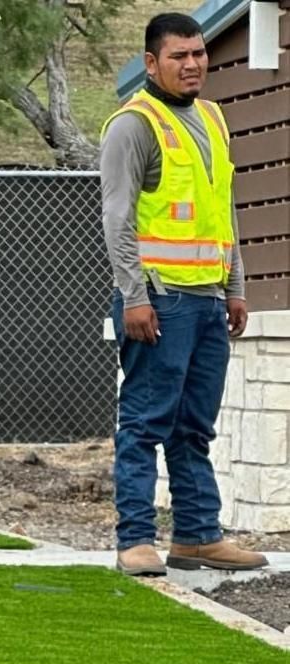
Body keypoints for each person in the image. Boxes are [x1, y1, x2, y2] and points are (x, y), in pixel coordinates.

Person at [100, 12, 267, 577]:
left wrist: (235, 288)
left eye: (199, 53)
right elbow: (117, 219)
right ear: (151, 63)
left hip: (208, 302)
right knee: (146, 422)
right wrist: (134, 296)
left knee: (194, 426)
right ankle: (136, 541)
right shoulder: (133, 125)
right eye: (180, 56)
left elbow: (223, 215)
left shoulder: (215, 120)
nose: (194, 63)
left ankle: (197, 536)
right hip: (160, 300)